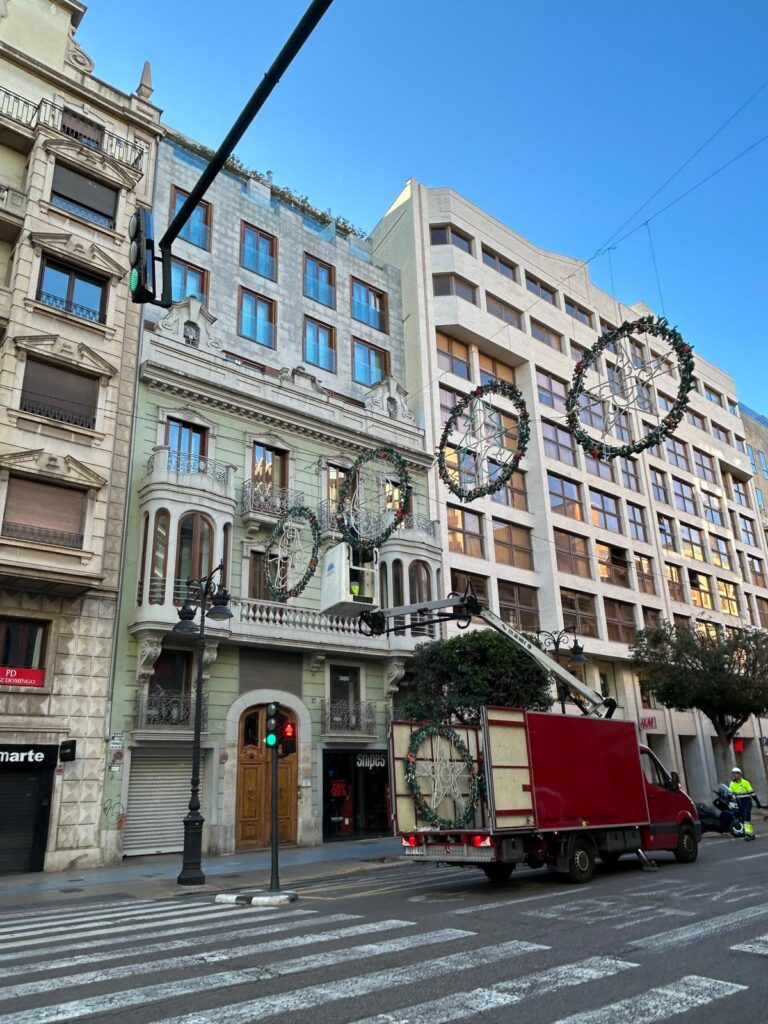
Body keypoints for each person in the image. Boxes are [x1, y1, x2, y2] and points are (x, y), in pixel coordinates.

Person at [729, 767, 761, 841]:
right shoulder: (732, 783)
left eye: (735, 773)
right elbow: (730, 793)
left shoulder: (745, 782)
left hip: (747, 802)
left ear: (739, 774)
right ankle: (751, 834)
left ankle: (748, 834)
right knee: (745, 818)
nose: (734, 775)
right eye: (733, 773)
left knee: (746, 817)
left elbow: (752, 794)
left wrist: (758, 803)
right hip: (739, 803)